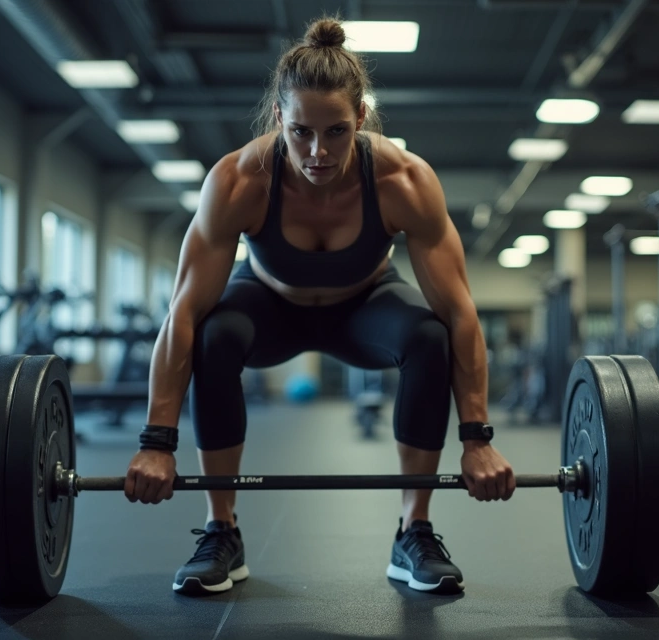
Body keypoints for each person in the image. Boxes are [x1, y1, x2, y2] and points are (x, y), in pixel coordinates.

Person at [123, 16, 516, 596]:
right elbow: (182, 311)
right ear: (278, 117)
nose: (317, 152)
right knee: (213, 334)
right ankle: (220, 529)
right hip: (268, 305)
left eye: (335, 132)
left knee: (428, 336)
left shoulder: (404, 180)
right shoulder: (237, 181)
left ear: (361, 118)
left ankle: (415, 528)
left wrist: (477, 438)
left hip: (365, 305)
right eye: (302, 131)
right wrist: (156, 443)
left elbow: (460, 313)